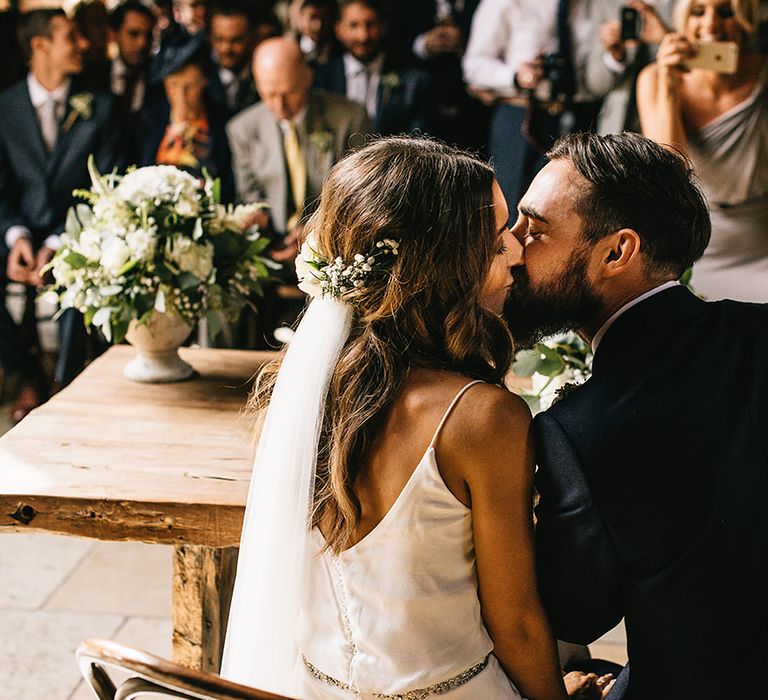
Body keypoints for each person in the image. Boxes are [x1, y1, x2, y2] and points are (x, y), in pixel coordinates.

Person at [221, 136, 613, 700]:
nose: (515, 252)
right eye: (496, 236)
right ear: (443, 262)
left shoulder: (303, 386)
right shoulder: (482, 418)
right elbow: (517, 623)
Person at [503, 130, 768, 699]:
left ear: (618, 252)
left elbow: (576, 612)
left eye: (535, 227)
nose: (512, 245)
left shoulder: (577, 431)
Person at [0, 8, 121, 414]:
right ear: (40, 46)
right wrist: (16, 236)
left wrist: (56, 242)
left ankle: (64, 387)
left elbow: (103, 188)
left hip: (76, 231)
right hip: (18, 227)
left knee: (80, 272)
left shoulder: (102, 107)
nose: (83, 44)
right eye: (71, 37)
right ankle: (26, 373)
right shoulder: (4, 108)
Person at [636, 0, 768, 302]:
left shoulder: (763, 73)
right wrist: (668, 83)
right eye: (698, 12)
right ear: (683, 19)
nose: (710, 25)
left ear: (745, 19)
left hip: (762, 237)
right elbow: (671, 175)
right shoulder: (654, 78)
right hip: (696, 241)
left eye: (725, 12)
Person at [227, 37, 370, 257]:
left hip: (334, 245)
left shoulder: (349, 118)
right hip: (272, 249)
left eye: (289, 92)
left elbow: (360, 196)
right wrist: (259, 218)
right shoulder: (242, 128)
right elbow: (249, 194)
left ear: (308, 77)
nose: (279, 105)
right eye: (269, 94)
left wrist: (316, 231)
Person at [462, 0, 602, 210]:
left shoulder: (589, 5)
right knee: (513, 208)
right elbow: (473, 65)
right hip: (521, 117)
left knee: (567, 209)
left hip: (577, 119)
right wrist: (515, 76)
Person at [138, 32, 234, 201]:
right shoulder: (148, 120)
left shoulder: (224, 124)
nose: (181, 96)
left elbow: (228, 184)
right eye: (173, 85)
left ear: (204, 81)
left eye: (190, 86)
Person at [312, 0, 431, 136]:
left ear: (383, 26)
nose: (363, 36)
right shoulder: (321, 78)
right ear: (339, 30)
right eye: (354, 25)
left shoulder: (413, 80)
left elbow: (419, 138)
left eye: (370, 24)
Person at [586, 0, 674, 134]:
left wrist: (666, 39)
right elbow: (596, 84)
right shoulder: (604, 3)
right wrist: (616, 58)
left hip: (676, 123)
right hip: (619, 130)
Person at [85, 0, 156, 163]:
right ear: (113, 34)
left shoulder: (158, 79)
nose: (143, 43)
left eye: (148, 35)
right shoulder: (92, 76)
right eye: (133, 34)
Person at [206, 0, 261, 117]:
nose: (226, 49)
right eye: (219, 39)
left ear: (251, 38)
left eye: (236, 40)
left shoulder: (263, 77)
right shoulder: (202, 78)